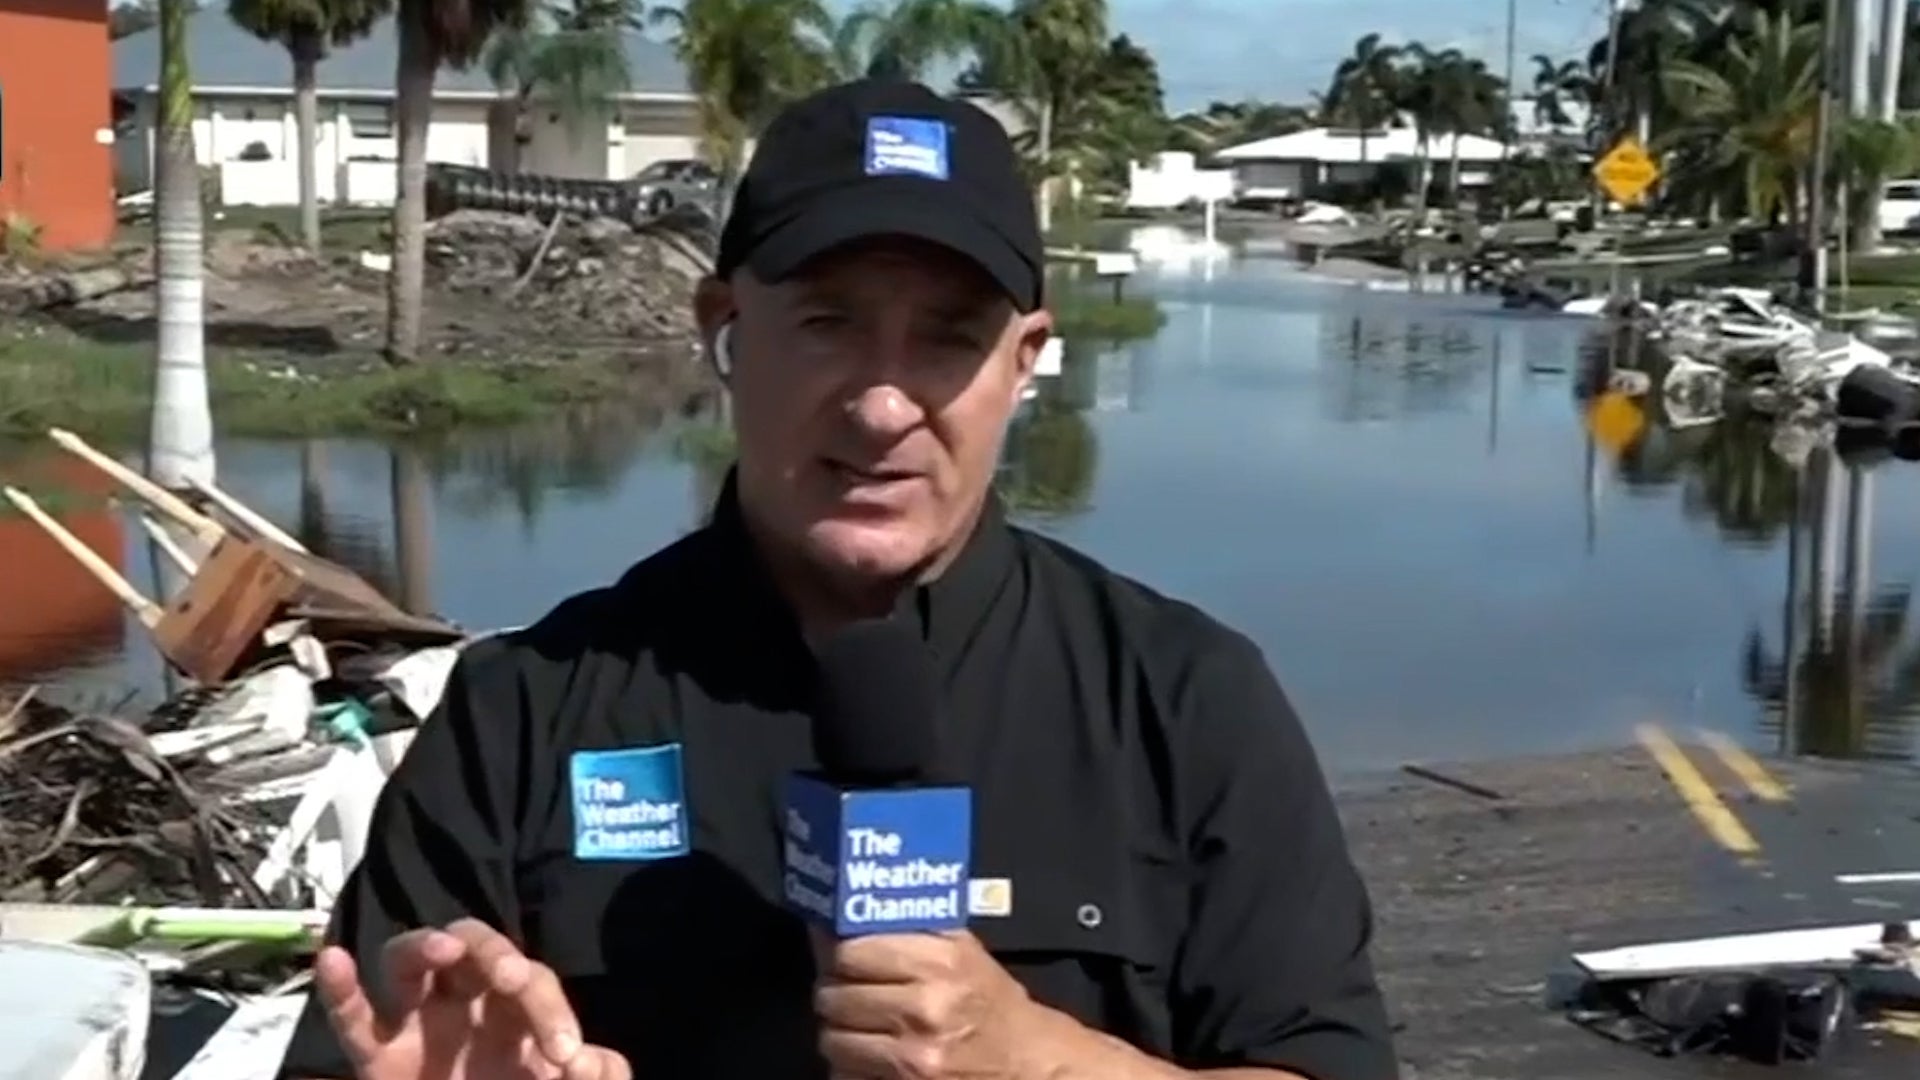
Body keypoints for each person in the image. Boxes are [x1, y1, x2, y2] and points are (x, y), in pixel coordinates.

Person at [278, 77, 1398, 1080]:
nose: (882, 405)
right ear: (725, 330)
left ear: (1024, 363)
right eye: (828, 324)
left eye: (947, 338)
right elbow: (370, 1048)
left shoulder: (1184, 699)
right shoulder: (524, 710)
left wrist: (1040, 1061)